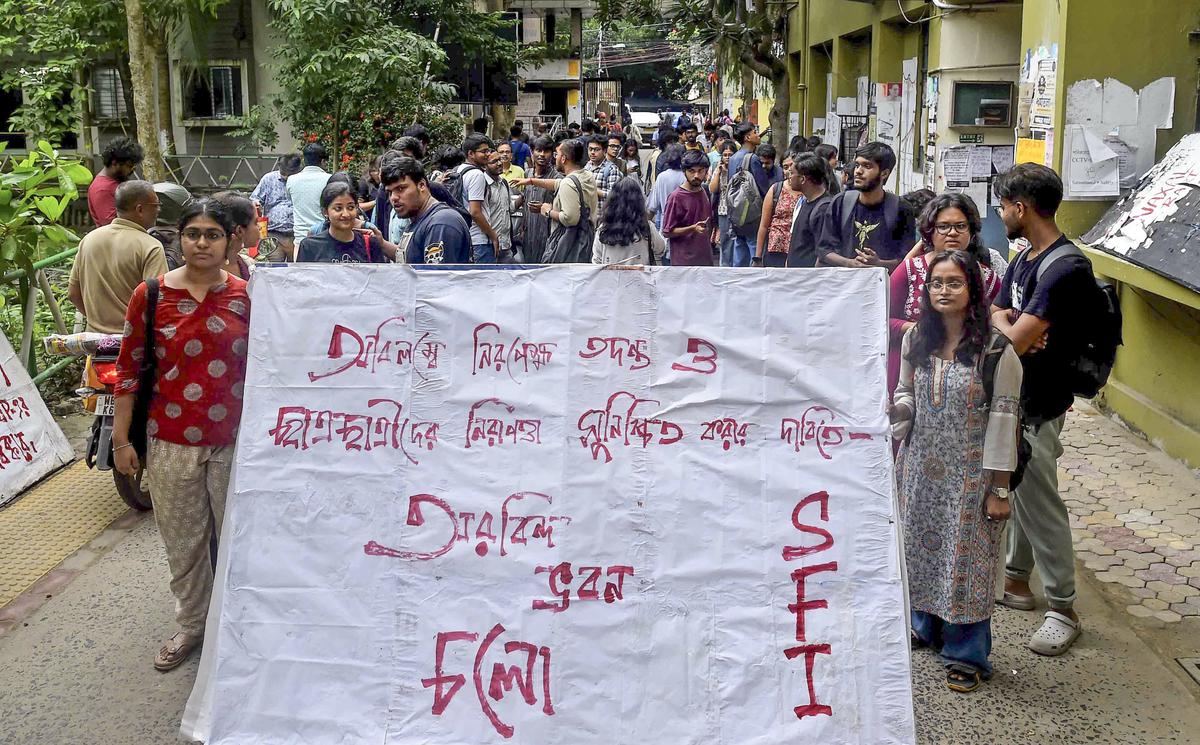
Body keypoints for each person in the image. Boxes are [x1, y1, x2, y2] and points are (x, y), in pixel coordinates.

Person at [112, 197, 252, 671]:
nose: (202, 243)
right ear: (179, 238)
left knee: (237, 540)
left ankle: (237, 626)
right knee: (184, 542)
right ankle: (193, 625)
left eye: (213, 234)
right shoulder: (150, 295)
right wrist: (121, 440)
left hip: (236, 441)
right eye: (193, 234)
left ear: (231, 240)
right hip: (170, 442)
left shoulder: (250, 295)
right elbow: (128, 370)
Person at [890, 249, 1022, 694]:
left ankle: (967, 653)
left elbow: (1004, 422)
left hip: (969, 480)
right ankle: (925, 627)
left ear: (973, 290)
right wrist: (896, 412)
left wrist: (999, 491)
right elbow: (906, 393)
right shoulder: (916, 338)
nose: (943, 290)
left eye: (953, 283)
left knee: (966, 562)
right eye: (936, 283)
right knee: (919, 552)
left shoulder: (996, 351)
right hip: (919, 471)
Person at [991, 163, 1095, 656]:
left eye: (1002, 205)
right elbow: (998, 312)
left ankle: (1063, 607)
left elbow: (1015, 338)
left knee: (1039, 500)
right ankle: (1016, 579)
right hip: (1018, 396)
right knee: (1021, 489)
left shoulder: (1064, 268)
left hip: (1040, 402)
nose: (1000, 213)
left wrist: (1013, 330)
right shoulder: (1026, 257)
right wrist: (1008, 324)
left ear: (1021, 207)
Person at [888, 192, 1002, 397]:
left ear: (971, 231)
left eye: (960, 226)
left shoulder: (987, 277)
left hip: (966, 383)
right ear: (930, 231)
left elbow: (1000, 320)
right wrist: (920, 329)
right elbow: (879, 321)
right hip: (910, 371)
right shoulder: (909, 270)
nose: (952, 233)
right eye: (943, 226)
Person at [69, 180, 168, 333]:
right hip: (132, 340)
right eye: (156, 205)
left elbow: (73, 293)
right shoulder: (151, 246)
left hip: (95, 339)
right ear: (140, 209)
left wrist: (97, 323)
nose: (159, 210)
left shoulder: (89, 240)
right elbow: (156, 301)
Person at [816, 141, 915, 271]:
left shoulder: (900, 208)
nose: (858, 171)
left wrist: (879, 264)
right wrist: (849, 263)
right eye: (857, 165)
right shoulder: (841, 202)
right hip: (843, 281)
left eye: (867, 166)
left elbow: (908, 260)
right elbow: (824, 250)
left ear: (884, 173)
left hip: (881, 282)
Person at [514, 138, 598, 261]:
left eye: (556, 154)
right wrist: (531, 181)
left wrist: (547, 211)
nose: (555, 158)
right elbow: (558, 183)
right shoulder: (586, 175)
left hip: (570, 243)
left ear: (563, 159)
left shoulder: (568, 183)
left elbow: (570, 219)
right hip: (586, 239)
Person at [383, 156, 471, 265]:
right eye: (390, 192)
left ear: (421, 185)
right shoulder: (421, 219)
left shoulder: (441, 223)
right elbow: (411, 261)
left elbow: (435, 274)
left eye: (400, 189)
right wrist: (380, 243)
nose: (393, 198)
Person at [296, 181, 392, 263]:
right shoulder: (310, 246)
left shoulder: (370, 243)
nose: (346, 214)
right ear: (325, 212)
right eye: (338, 208)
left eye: (350, 207)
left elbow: (378, 277)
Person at [592, 178, 666, 265]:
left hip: (610, 273)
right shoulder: (647, 228)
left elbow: (597, 261)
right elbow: (661, 249)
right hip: (640, 273)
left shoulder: (603, 229)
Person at [661, 149, 713, 267]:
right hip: (683, 262)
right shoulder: (676, 197)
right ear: (684, 171)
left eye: (700, 171)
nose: (696, 175)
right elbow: (667, 232)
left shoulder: (705, 191)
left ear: (706, 171)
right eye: (691, 171)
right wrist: (692, 228)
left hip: (705, 259)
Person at [783, 154, 834, 268]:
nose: (788, 177)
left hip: (808, 276)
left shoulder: (824, 209)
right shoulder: (805, 201)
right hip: (794, 274)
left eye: (791, 173)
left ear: (802, 179)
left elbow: (823, 252)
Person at [456, 134, 501, 263]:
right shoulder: (477, 175)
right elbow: (475, 212)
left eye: (488, 150)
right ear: (471, 154)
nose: (488, 154)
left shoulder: (460, 170)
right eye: (483, 151)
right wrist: (493, 236)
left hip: (464, 236)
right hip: (479, 240)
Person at [727, 122, 766, 267]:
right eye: (755, 132)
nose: (758, 135)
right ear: (747, 137)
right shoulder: (752, 158)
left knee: (740, 244)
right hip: (751, 211)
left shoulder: (733, 158)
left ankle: (738, 275)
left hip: (736, 209)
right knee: (754, 244)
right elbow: (762, 186)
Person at [752, 153, 802, 268]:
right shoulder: (776, 189)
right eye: (785, 167)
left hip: (798, 249)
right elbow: (764, 225)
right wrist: (758, 257)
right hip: (776, 249)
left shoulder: (807, 191)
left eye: (792, 166)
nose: (789, 170)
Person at [518, 137, 561, 263]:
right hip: (529, 232)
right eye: (538, 150)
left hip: (548, 231)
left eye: (546, 151)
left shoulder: (557, 178)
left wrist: (544, 207)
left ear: (552, 154)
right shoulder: (527, 174)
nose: (542, 154)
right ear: (532, 152)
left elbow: (562, 207)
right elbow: (525, 199)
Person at [251, 154, 301, 261]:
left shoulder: (302, 181)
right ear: (279, 166)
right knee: (274, 266)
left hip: (296, 234)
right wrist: (256, 203)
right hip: (273, 233)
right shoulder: (268, 178)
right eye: (284, 173)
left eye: (290, 173)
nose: (286, 176)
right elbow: (255, 198)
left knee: (296, 267)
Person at [89, 137, 144, 227]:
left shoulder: (115, 182)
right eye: (129, 165)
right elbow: (112, 226)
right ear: (114, 163)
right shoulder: (103, 189)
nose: (132, 170)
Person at [286, 143, 331, 238]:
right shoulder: (330, 180)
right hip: (324, 237)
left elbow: (290, 202)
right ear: (323, 161)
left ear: (303, 161)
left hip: (300, 237)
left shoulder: (291, 180)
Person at [210, 191, 257, 280]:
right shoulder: (204, 271)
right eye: (256, 222)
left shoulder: (248, 264)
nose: (259, 227)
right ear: (239, 231)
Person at [708, 141, 738, 266]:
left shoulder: (738, 168)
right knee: (724, 240)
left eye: (730, 155)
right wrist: (719, 172)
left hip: (737, 209)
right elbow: (712, 189)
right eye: (725, 155)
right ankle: (725, 266)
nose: (727, 157)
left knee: (736, 240)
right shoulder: (717, 168)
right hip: (723, 209)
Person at [647, 144, 686, 232]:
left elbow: (653, 206)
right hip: (685, 225)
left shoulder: (662, 177)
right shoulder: (686, 177)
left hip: (665, 224)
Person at [484, 151, 514, 261]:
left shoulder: (504, 183)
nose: (500, 163)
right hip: (489, 245)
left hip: (506, 245)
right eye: (494, 161)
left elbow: (509, 208)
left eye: (499, 160)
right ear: (485, 166)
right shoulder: (483, 184)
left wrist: (522, 198)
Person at [584, 134, 620, 208]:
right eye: (590, 149)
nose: (592, 152)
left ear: (604, 151)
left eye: (596, 149)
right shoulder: (587, 166)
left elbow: (615, 195)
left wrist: (594, 191)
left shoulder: (612, 169)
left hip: (603, 213)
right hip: (588, 212)